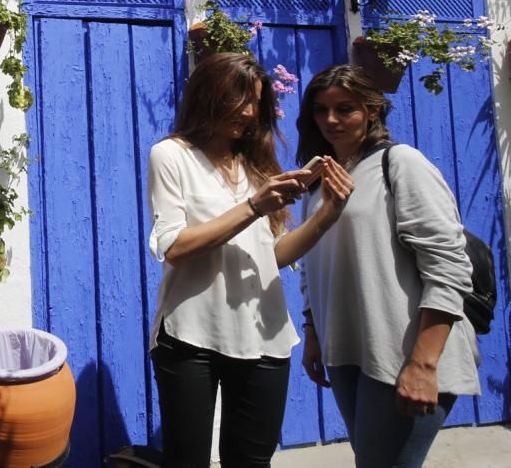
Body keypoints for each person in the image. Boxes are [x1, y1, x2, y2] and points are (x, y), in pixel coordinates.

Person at [146, 53, 350, 468]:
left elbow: (273, 255)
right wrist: (253, 207)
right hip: (191, 337)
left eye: (254, 101)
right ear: (207, 95)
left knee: (252, 462)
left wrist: (327, 215)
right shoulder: (171, 155)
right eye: (238, 98)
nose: (247, 111)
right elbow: (174, 246)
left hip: (264, 335)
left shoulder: (257, 164)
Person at [297, 65, 479, 468]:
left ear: (374, 110)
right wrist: (313, 331)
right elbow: (312, 268)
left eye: (345, 109)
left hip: (404, 353)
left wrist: (423, 364)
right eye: (321, 109)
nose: (331, 120)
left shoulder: (400, 165)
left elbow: (448, 265)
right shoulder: (320, 180)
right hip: (347, 351)